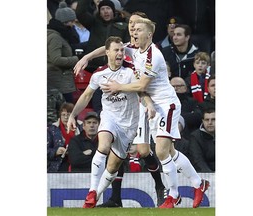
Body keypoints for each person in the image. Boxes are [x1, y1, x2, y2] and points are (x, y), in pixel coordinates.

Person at [74, 17, 209, 209]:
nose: (134, 32)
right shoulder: (135, 47)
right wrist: (87, 57)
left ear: (149, 34)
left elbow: (141, 85)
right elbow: (109, 48)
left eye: (138, 29)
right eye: (133, 29)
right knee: (170, 151)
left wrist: (118, 86)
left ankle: (173, 195)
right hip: (151, 105)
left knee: (161, 150)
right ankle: (199, 184)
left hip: (166, 104)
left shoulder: (154, 55)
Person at [67, 36, 156, 208]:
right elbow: (86, 96)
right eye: (116, 50)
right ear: (107, 52)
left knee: (113, 167)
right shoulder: (99, 74)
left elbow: (141, 91)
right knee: (104, 145)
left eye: (122, 50)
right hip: (110, 118)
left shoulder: (131, 72)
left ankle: (94, 198)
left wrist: (149, 105)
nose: (120, 53)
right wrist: (73, 115)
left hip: (129, 125)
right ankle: (92, 191)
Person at [97, 12, 167, 208]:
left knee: (144, 151)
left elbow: (143, 83)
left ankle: (160, 186)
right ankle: (115, 198)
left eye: (136, 24)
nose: (132, 26)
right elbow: (105, 49)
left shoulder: (148, 50)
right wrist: (85, 57)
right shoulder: (124, 48)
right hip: (124, 106)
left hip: (141, 102)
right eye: (130, 23)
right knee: (119, 150)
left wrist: (148, 101)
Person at [75, 0, 129, 72]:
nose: (105, 11)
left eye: (108, 8)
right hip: (93, 67)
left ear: (113, 11)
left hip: (116, 67)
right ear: (99, 12)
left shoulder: (124, 26)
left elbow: (127, 46)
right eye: (102, 9)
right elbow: (80, 13)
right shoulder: (93, 23)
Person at [47, 1, 81, 103]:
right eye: (72, 21)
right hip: (58, 83)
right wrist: (76, 59)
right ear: (65, 21)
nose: (73, 25)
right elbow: (56, 59)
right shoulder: (55, 37)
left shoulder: (58, 34)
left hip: (59, 82)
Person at [47, 102, 83, 172]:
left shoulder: (82, 127)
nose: (66, 117)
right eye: (63, 115)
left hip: (78, 162)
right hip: (59, 164)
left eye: (68, 115)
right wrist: (55, 152)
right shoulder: (52, 129)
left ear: (74, 116)